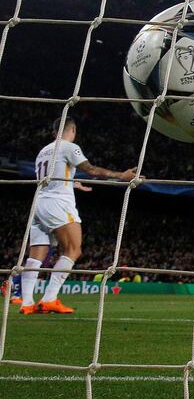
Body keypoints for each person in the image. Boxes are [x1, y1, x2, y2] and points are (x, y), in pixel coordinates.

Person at [20, 117, 138, 315]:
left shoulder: (43, 151)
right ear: (72, 129)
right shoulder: (69, 147)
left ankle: (26, 303)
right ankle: (49, 299)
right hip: (58, 203)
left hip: (39, 204)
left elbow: (51, 177)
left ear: (53, 131)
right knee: (73, 249)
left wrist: (73, 183)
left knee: (35, 258)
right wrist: (121, 176)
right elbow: (90, 170)